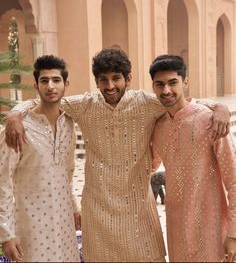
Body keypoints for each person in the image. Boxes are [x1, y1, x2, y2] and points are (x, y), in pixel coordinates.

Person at [4, 49, 230, 262]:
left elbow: (183, 102)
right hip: (98, 215)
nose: (110, 85)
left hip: (139, 214)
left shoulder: (147, 103)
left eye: (116, 78)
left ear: (128, 79)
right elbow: (46, 99)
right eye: (103, 79)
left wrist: (219, 107)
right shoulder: (85, 105)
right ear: (97, 82)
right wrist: (15, 114)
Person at [150, 54, 236, 262]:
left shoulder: (211, 121)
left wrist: (233, 233)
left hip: (212, 229)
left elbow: (233, 180)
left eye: (173, 83)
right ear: (153, 87)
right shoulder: (159, 127)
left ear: (185, 82)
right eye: (159, 84)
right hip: (176, 229)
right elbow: (150, 166)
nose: (166, 90)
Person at [0, 55, 81, 262]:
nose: (50, 86)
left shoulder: (69, 124)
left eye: (56, 80)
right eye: (44, 81)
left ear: (66, 84)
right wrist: (7, 234)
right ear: (36, 85)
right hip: (30, 228)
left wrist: (74, 208)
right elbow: (2, 181)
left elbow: (68, 172)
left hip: (64, 226)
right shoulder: (18, 128)